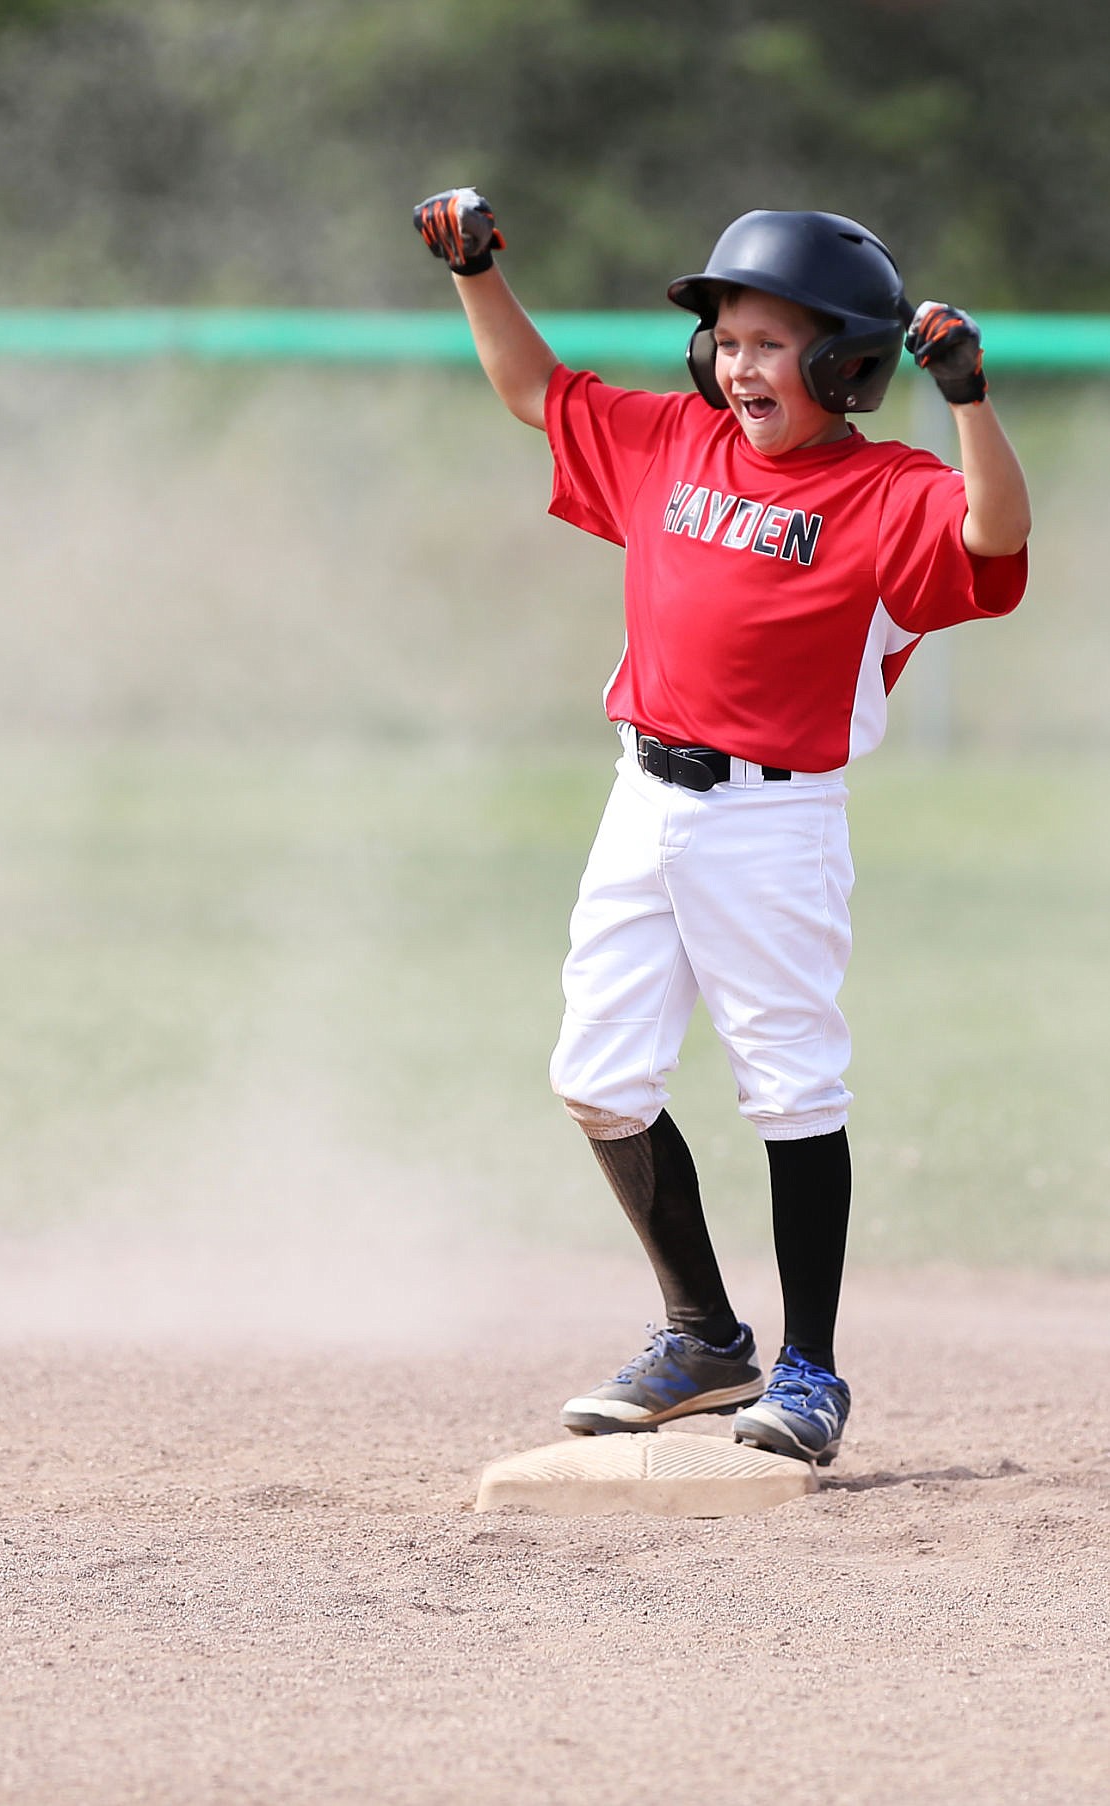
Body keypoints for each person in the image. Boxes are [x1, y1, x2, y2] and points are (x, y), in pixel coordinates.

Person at [412, 189, 1030, 1466]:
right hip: (640, 798)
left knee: (792, 1090)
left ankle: (809, 1371)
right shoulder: (668, 447)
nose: (742, 364)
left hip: (773, 824)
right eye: (729, 340)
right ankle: (703, 1339)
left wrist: (969, 401)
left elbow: (995, 536)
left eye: (772, 341)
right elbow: (539, 394)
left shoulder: (886, 490)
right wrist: (475, 272)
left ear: (846, 364)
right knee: (596, 1078)